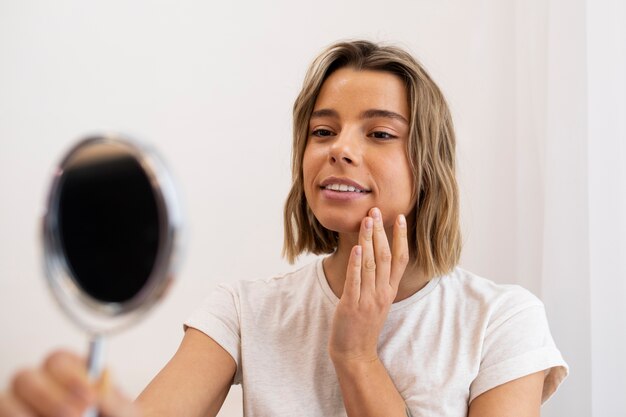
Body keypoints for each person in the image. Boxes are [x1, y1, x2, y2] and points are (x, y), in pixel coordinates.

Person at [0, 40, 568, 417]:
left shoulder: (503, 320)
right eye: (323, 131)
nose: (340, 149)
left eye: (380, 133)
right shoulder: (243, 311)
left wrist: (357, 356)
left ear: (430, 164)